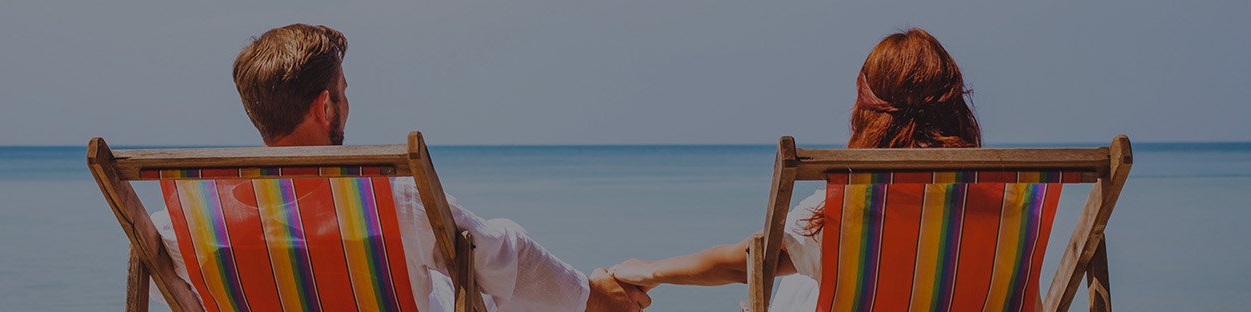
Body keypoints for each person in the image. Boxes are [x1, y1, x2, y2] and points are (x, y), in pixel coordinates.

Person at [148, 23, 650, 312]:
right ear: (325, 107)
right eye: (344, 92)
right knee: (486, 261)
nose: (349, 102)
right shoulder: (388, 203)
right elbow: (501, 258)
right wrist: (591, 295)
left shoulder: (179, 226)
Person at [606, 28, 981, 311]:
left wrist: (651, 270)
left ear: (869, 112)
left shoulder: (847, 213)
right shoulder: (1013, 201)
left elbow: (750, 264)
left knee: (803, 279)